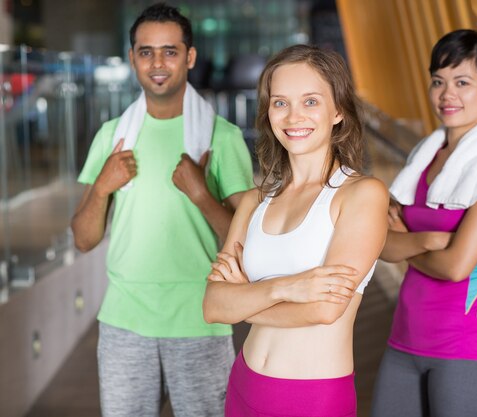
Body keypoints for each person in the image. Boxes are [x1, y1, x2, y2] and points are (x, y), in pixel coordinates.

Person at [71, 3, 254, 416]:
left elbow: (247, 243)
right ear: (132, 57)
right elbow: (83, 239)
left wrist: (202, 195)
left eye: (170, 51)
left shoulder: (219, 138)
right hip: (124, 323)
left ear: (189, 57)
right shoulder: (112, 136)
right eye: (146, 51)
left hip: (201, 321)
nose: (157, 63)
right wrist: (101, 188)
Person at [202, 44, 388, 417]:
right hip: (244, 383)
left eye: (310, 101)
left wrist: (243, 302)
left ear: (338, 111)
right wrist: (286, 287)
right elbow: (211, 305)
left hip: (312, 397)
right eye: (280, 102)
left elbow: (323, 309)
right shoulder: (256, 202)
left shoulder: (361, 195)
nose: (293, 116)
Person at [370, 29, 477, 417]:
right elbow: (380, 244)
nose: (446, 94)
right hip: (404, 339)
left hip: (466, 349)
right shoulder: (424, 156)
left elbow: (456, 268)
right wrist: (435, 239)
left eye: (463, 82)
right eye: (439, 81)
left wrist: (409, 240)